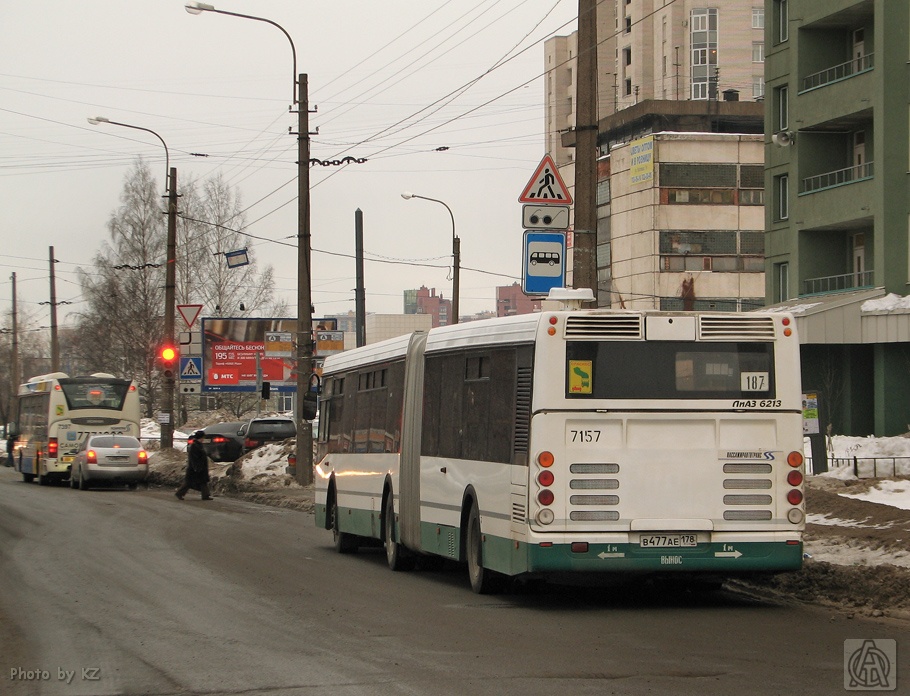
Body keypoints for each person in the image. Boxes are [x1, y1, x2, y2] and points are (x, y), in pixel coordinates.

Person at [175, 430, 213, 500]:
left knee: (203, 481)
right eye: (202, 438)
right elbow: (193, 458)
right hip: (195, 467)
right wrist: (196, 467)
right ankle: (179, 493)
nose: (203, 439)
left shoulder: (198, 445)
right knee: (189, 482)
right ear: (200, 438)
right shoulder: (195, 446)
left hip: (200, 466)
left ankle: (206, 495)